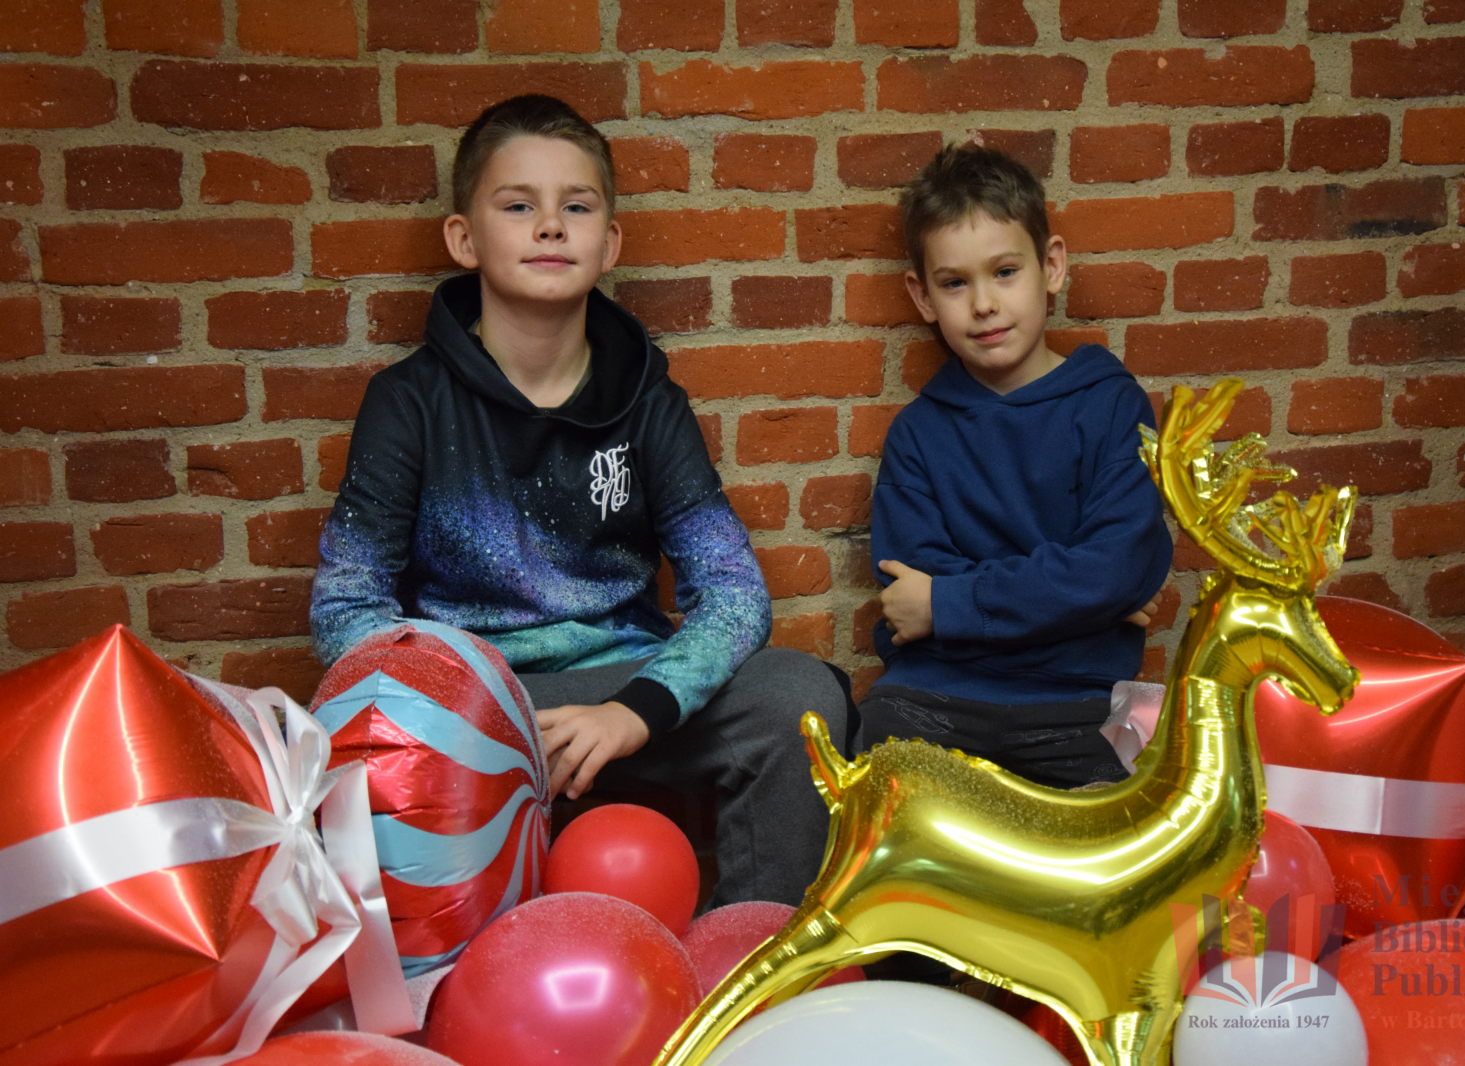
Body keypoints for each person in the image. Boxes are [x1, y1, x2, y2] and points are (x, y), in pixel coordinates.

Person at [310, 94, 849, 908]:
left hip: (621, 692)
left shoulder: (648, 400)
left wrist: (634, 711)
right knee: (339, 724)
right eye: (518, 205)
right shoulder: (408, 402)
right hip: (472, 708)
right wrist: (473, 710)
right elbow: (346, 609)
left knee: (798, 699)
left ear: (609, 243)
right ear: (464, 238)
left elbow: (733, 593)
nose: (550, 227)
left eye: (577, 206)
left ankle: (753, 955)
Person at [861, 142, 1173, 790]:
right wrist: (1088, 605)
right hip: (938, 695)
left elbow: (1115, 567)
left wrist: (947, 603)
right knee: (881, 770)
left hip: (1078, 702)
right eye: (955, 283)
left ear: (1051, 266)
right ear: (923, 296)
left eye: (1005, 272)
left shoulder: (1112, 406)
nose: (983, 304)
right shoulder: (917, 434)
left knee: (1129, 817)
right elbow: (906, 605)